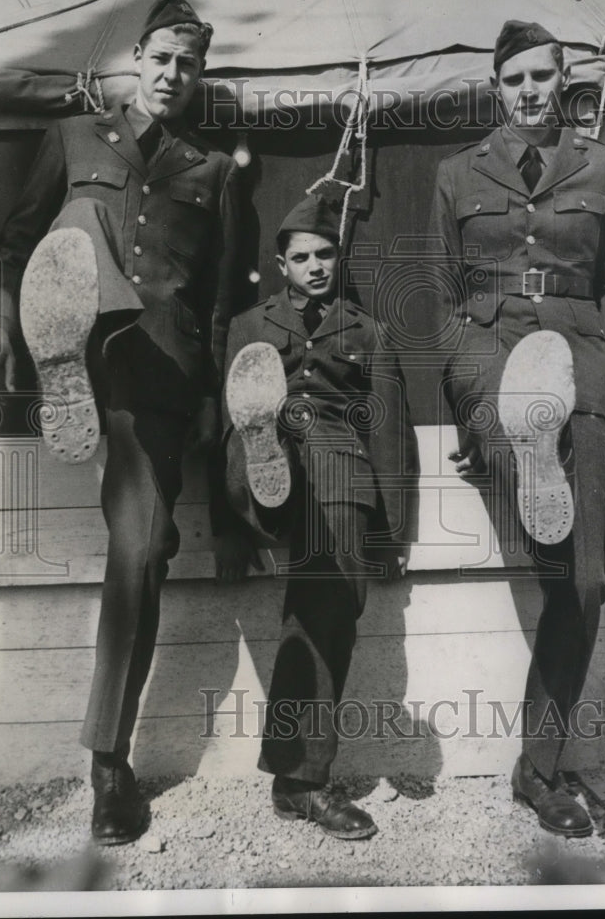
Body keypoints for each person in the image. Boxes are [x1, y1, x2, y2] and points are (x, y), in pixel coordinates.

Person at [0, 0, 255, 845]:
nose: (172, 74)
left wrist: (218, 416)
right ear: (135, 61)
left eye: (189, 63)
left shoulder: (214, 172)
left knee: (142, 552)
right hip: (90, 351)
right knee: (79, 220)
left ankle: (108, 758)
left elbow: (225, 304)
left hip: (161, 380)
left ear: (200, 75)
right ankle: (108, 767)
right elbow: (14, 246)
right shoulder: (74, 138)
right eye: (160, 57)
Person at [429, 20, 605, 837]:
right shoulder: (456, 173)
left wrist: (603, 392)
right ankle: (547, 771)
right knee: (560, 561)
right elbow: (441, 295)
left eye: (541, 78)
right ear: (496, 86)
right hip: (493, 358)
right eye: (513, 80)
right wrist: (467, 382)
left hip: (576, 364)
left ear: (563, 79)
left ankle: (534, 767)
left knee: (584, 582)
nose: (527, 92)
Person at [221, 194, 420, 839]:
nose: (314, 266)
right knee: (320, 606)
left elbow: (390, 429)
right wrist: (229, 528)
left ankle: (292, 775)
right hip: (270, 459)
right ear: (282, 264)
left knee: (327, 612)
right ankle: (304, 782)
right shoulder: (251, 326)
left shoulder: (364, 329)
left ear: (339, 258)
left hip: (340, 472)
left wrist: (391, 528)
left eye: (325, 254)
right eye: (300, 257)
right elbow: (221, 428)